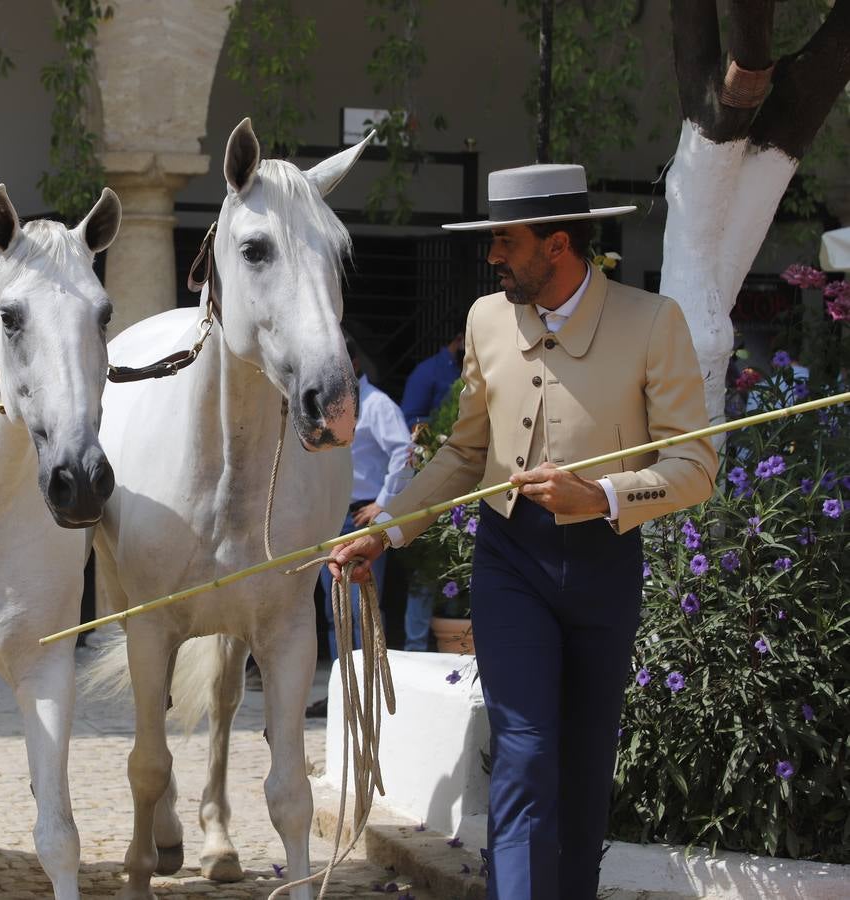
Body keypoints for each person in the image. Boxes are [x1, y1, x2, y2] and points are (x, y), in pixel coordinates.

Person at [329, 163, 718, 899]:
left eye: (505, 241)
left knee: (583, 758)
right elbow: (465, 451)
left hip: (606, 561)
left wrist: (600, 493)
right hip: (510, 560)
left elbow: (695, 463)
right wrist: (390, 530)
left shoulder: (652, 323)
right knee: (525, 750)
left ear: (559, 244)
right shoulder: (484, 320)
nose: (492, 256)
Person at [306, 334, 412, 717]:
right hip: (330, 515)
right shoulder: (326, 405)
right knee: (335, 611)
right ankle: (341, 689)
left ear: (353, 363)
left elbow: (404, 451)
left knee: (362, 606)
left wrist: (384, 502)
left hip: (358, 513)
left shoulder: (378, 404)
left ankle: (368, 688)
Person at [399, 324, 465, 651]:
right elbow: (409, 421)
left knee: (460, 572)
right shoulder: (429, 372)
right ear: (458, 338)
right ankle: (415, 646)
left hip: (470, 485)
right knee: (424, 575)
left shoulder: (478, 369)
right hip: (433, 476)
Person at [401, 327, 464, 426]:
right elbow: (408, 422)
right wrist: (444, 423)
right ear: (460, 339)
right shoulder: (427, 371)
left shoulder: (480, 371)